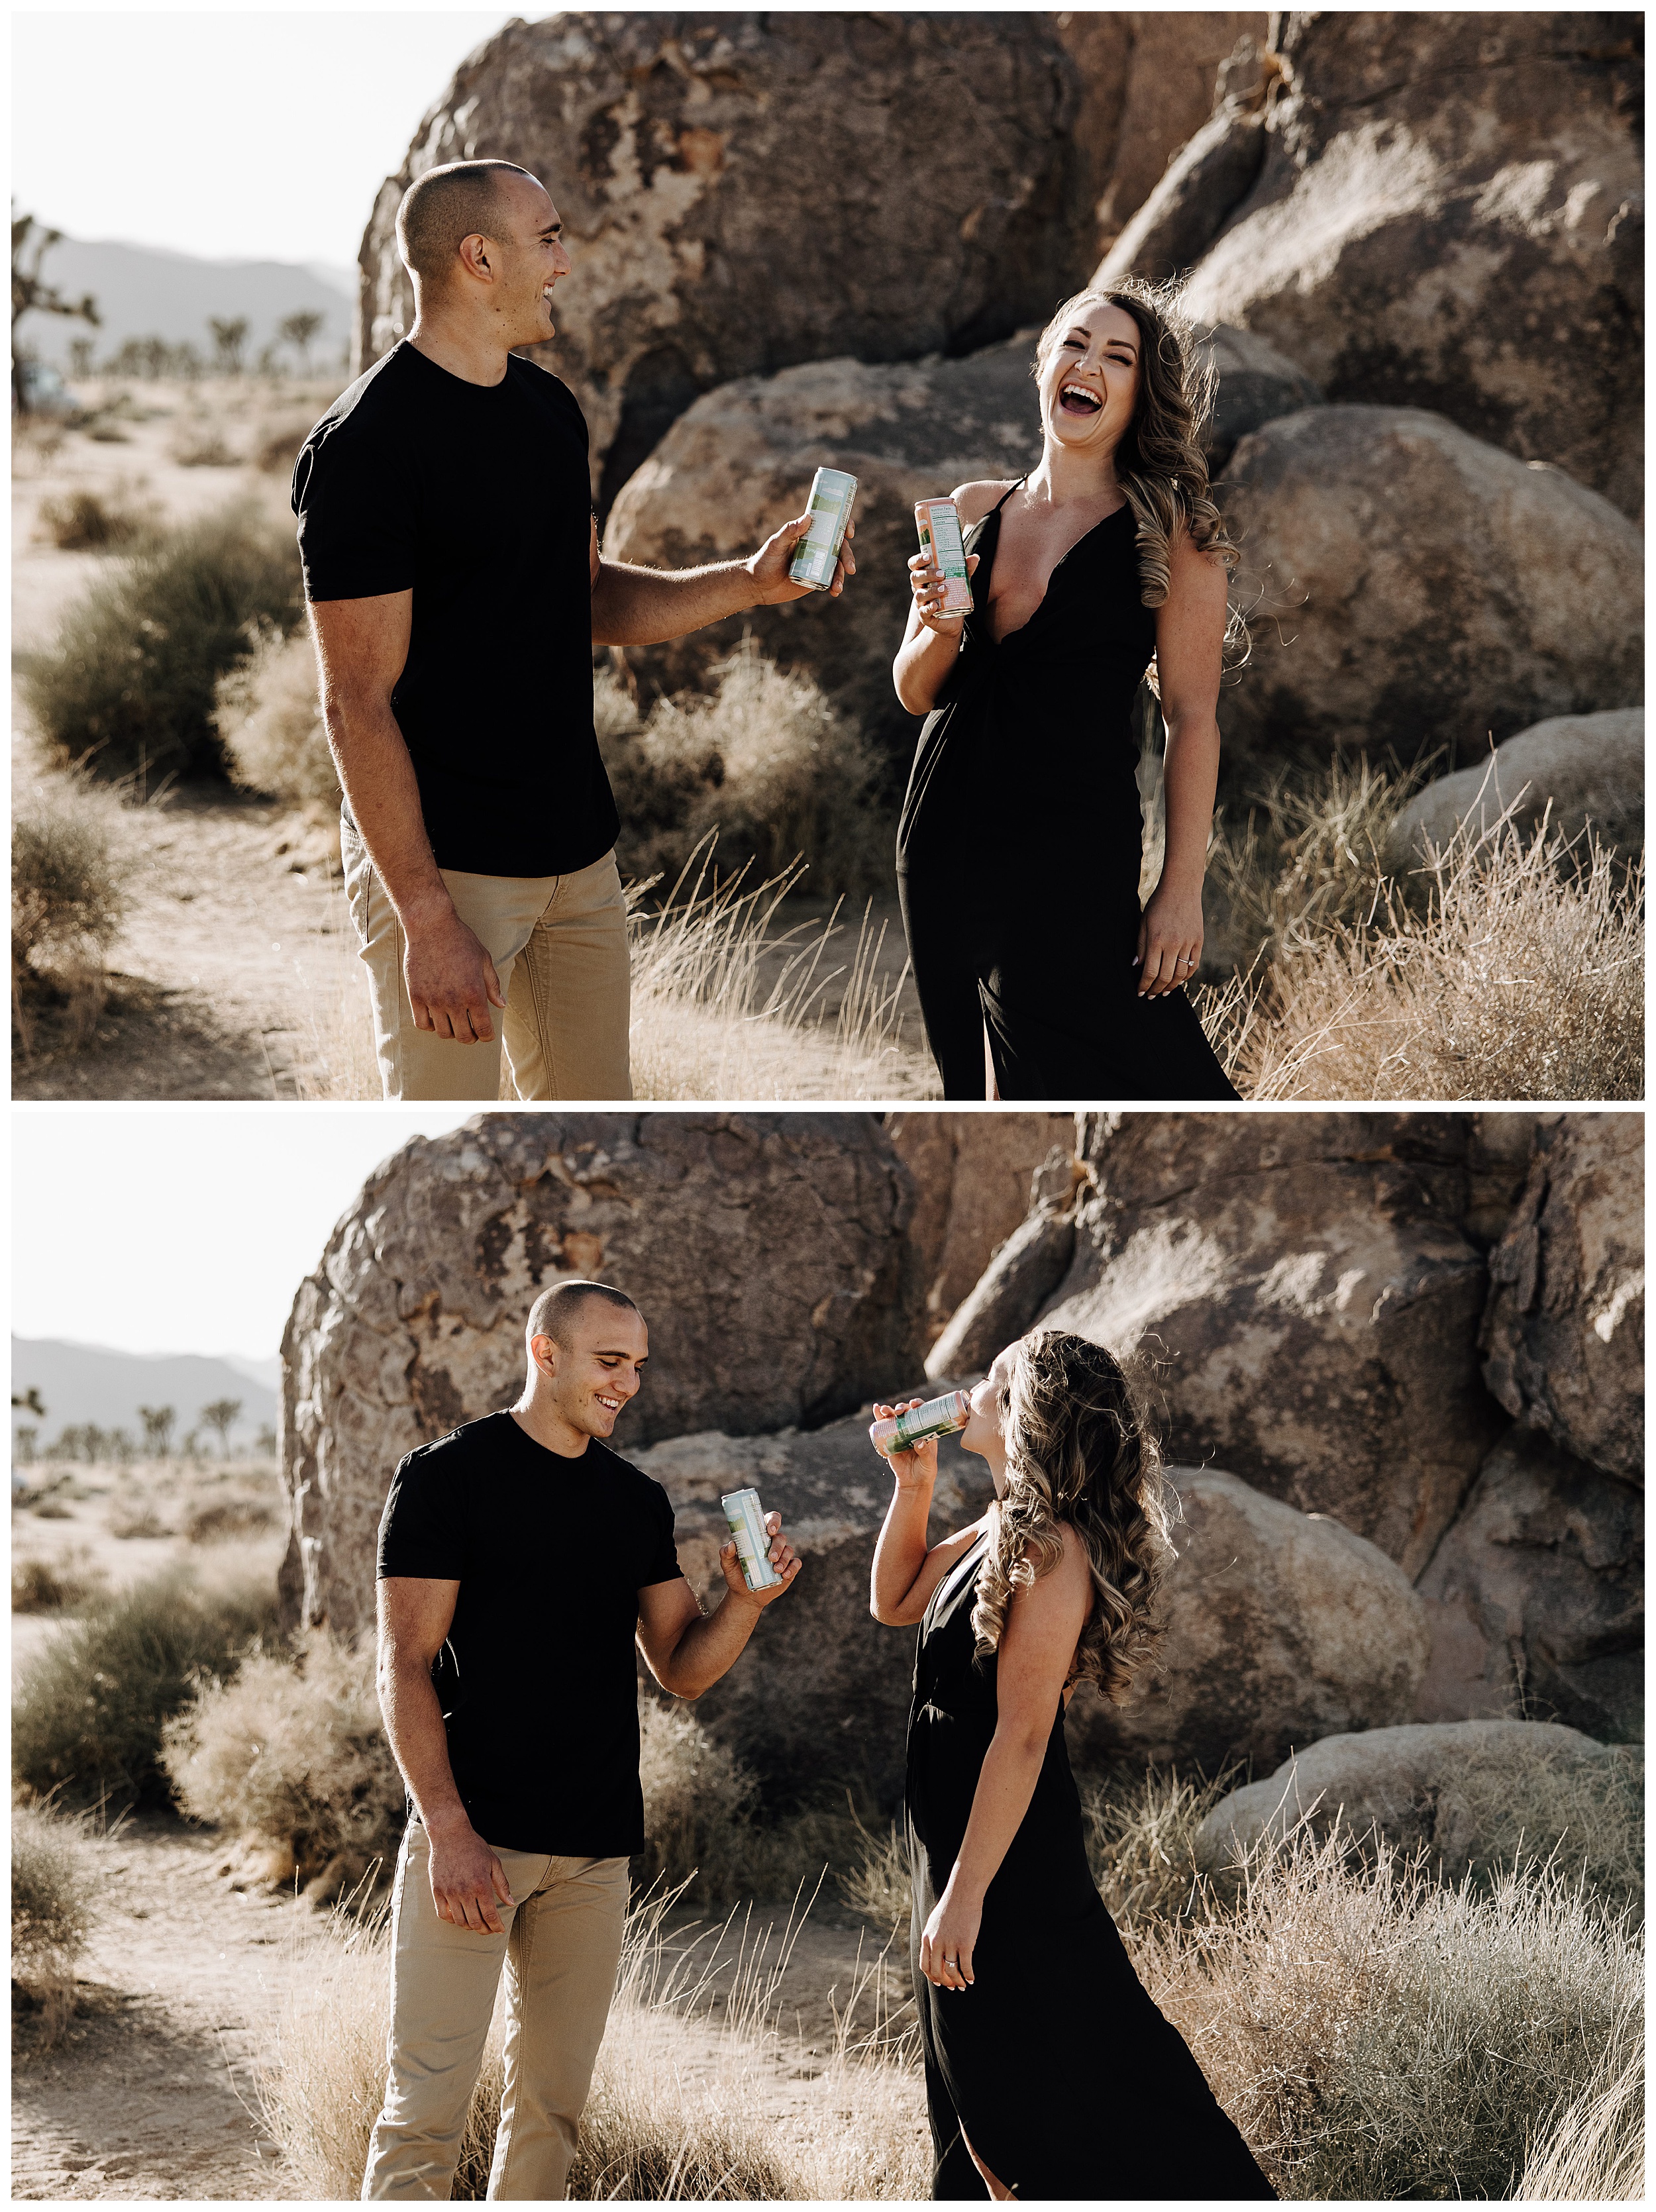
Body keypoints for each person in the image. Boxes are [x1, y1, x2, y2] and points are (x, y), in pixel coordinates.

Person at [293, 158, 854, 1104]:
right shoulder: (365, 448)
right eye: (548, 238)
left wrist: (746, 586)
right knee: (445, 1122)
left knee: (591, 1119)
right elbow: (355, 703)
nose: (565, 262)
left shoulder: (549, 413)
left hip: (577, 865)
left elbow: (581, 601)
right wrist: (428, 921)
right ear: (479, 257)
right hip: (451, 871)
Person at [363, 1278, 800, 2199]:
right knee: (425, 2114)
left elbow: (680, 1666)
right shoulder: (446, 1476)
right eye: (610, 1362)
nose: (627, 1385)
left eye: (638, 1366)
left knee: (553, 2113)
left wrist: (746, 1604)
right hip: (473, 1840)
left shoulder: (635, 1501)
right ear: (544, 1351)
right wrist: (446, 1829)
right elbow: (403, 1664)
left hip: (593, 1853)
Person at [868, 1332, 1274, 2201]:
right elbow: (896, 1600)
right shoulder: (998, 1526)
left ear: (1024, 1413)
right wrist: (913, 1487)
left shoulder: (1052, 1548)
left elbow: (1020, 1734)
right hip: (957, 1841)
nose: (970, 1390)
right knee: (977, 2080)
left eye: (993, 1380)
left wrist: (967, 1894)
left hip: (1008, 1858)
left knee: (1040, 2088)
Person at [892, 279, 1240, 1101]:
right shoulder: (972, 510)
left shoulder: (1175, 533)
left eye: (1117, 356)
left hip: (1075, 854)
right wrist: (939, 625)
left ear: (1137, 393)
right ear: (1044, 363)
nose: (1089, 364)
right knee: (973, 1089)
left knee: (1141, 1067)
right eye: (1076, 344)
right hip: (942, 840)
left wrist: (1180, 890)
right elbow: (914, 693)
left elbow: (1192, 719)